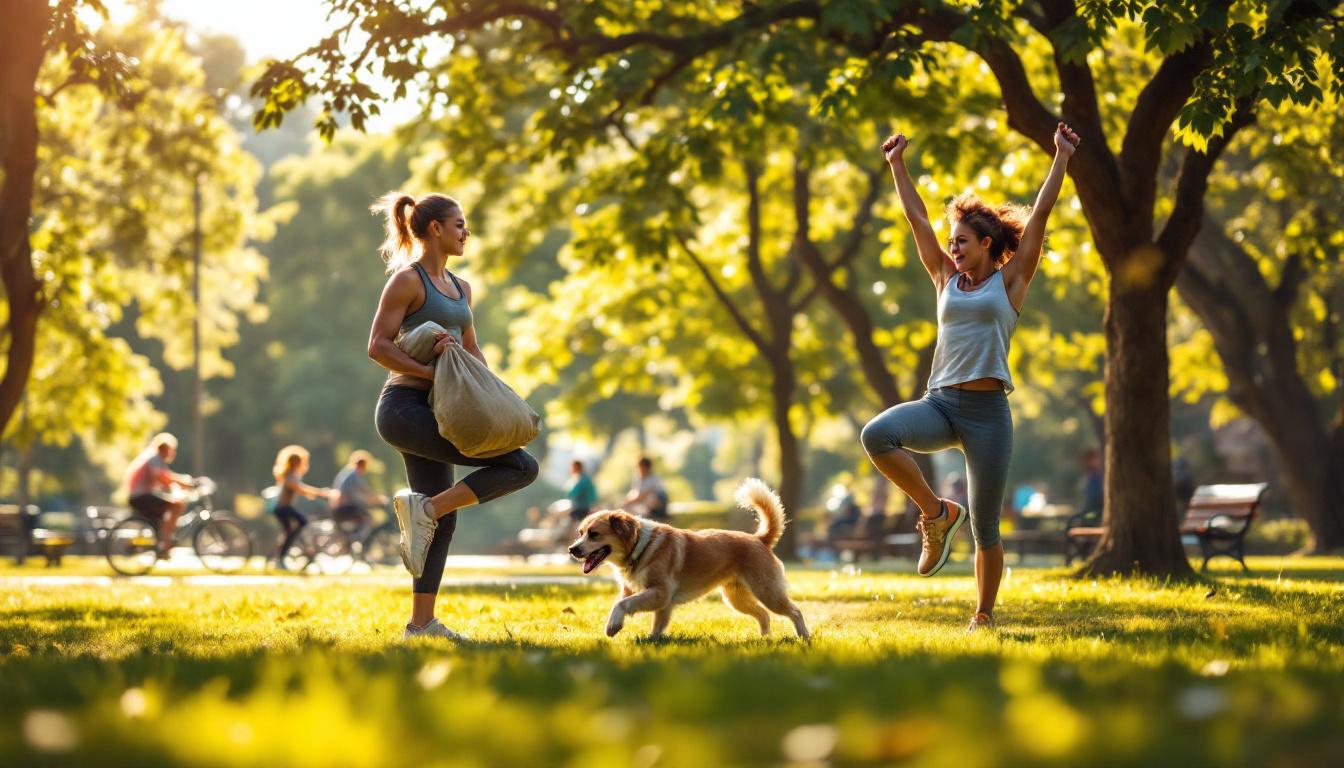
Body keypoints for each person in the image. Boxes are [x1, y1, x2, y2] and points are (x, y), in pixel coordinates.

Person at [860, 121, 1080, 631]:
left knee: (986, 527)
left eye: (962, 242)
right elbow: (917, 221)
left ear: (986, 243)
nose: (953, 248)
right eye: (951, 242)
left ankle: (982, 613)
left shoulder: (1012, 282)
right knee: (877, 435)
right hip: (939, 405)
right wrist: (897, 164)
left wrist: (1061, 157)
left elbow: (1041, 213)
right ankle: (937, 515)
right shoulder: (944, 280)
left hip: (987, 415)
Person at [368, 191, 539, 640]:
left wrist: (493, 392)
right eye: (459, 224)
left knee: (445, 519)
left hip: (446, 412)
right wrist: (428, 370)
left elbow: (472, 348)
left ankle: (420, 624)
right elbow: (378, 346)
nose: (466, 232)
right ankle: (425, 508)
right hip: (405, 410)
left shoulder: (463, 289)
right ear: (434, 229)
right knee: (519, 465)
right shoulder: (408, 281)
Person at [123, 433, 195, 557]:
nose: (173, 454)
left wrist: (180, 484)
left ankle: (161, 545)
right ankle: (165, 543)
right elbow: (163, 477)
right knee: (177, 506)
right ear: (164, 449)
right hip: (140, 496)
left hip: (140, 496)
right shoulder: (154, 458)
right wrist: (184, 483)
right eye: (171, 450)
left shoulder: (155, 459)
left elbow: (166, 480)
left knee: (163, 517)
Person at [270, 445, 333, 571]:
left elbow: (299, 488)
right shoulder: (290, 475)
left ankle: (281, 552)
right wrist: (320, 492)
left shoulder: (289, 474)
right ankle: (280, 557)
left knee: (293, 529)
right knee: (301, 523)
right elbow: (299, 488)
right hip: (283, 508)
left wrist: (311, 493)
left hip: (283, 508)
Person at [332, 449, 388, 541]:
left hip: (341, 505)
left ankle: (353, 538)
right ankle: (357, 540)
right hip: (345, 506)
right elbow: (364, 489)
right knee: (368, 518)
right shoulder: (354, 474)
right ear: (363, 465)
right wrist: (379, 499)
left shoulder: (348, 472)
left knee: (362, 516)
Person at [621, 456, 669, 521]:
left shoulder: (654, 478)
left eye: (639, 466)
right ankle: (639, 515)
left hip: (658, 506)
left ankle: (649, 515)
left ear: (645, 467)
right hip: (644, 502)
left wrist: (626, 503)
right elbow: (634, 493)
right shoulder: (638, 478)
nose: (638, 469)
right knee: (631, 496)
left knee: (650, 498)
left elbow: (642, 496)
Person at [565, 459, 598, 524]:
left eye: (572, 467)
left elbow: (573, 493)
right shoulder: (581, 478)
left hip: (583, 509)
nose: (570, 469)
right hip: (581, 507)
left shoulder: (583, 480)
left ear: (576, 467)